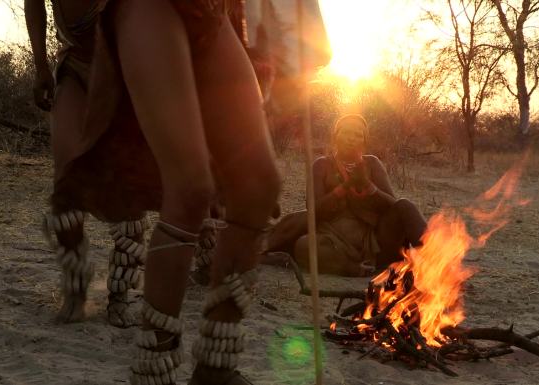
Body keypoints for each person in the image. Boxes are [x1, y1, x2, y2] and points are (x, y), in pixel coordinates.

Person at [49, 0, 327, 383]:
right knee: (190, 187)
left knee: (258, 187)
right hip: (148, 8)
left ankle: (215, 368)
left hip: (211, 10)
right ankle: (153, 371)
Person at [25, 0, 150, 328]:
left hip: (126, 64)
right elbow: (34, 3)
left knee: (127, 187)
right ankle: (76, 288)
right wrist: (40, 65)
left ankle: (120, 297)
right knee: (66, 180)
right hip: (77, 63)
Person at [265, 114, 428, 277]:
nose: (352, 138)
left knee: (406, 205)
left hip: (375, 245)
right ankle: (353, 269)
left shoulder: (372, 163)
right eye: (347, 132)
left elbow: (393, 206)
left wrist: (369, 187)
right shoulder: (322, 165)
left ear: (364, 141)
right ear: (335, 135)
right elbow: (313, 210)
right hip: (334, 243)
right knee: (304, 246)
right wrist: (343, 188)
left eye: (358, 135)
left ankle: (435, 262)